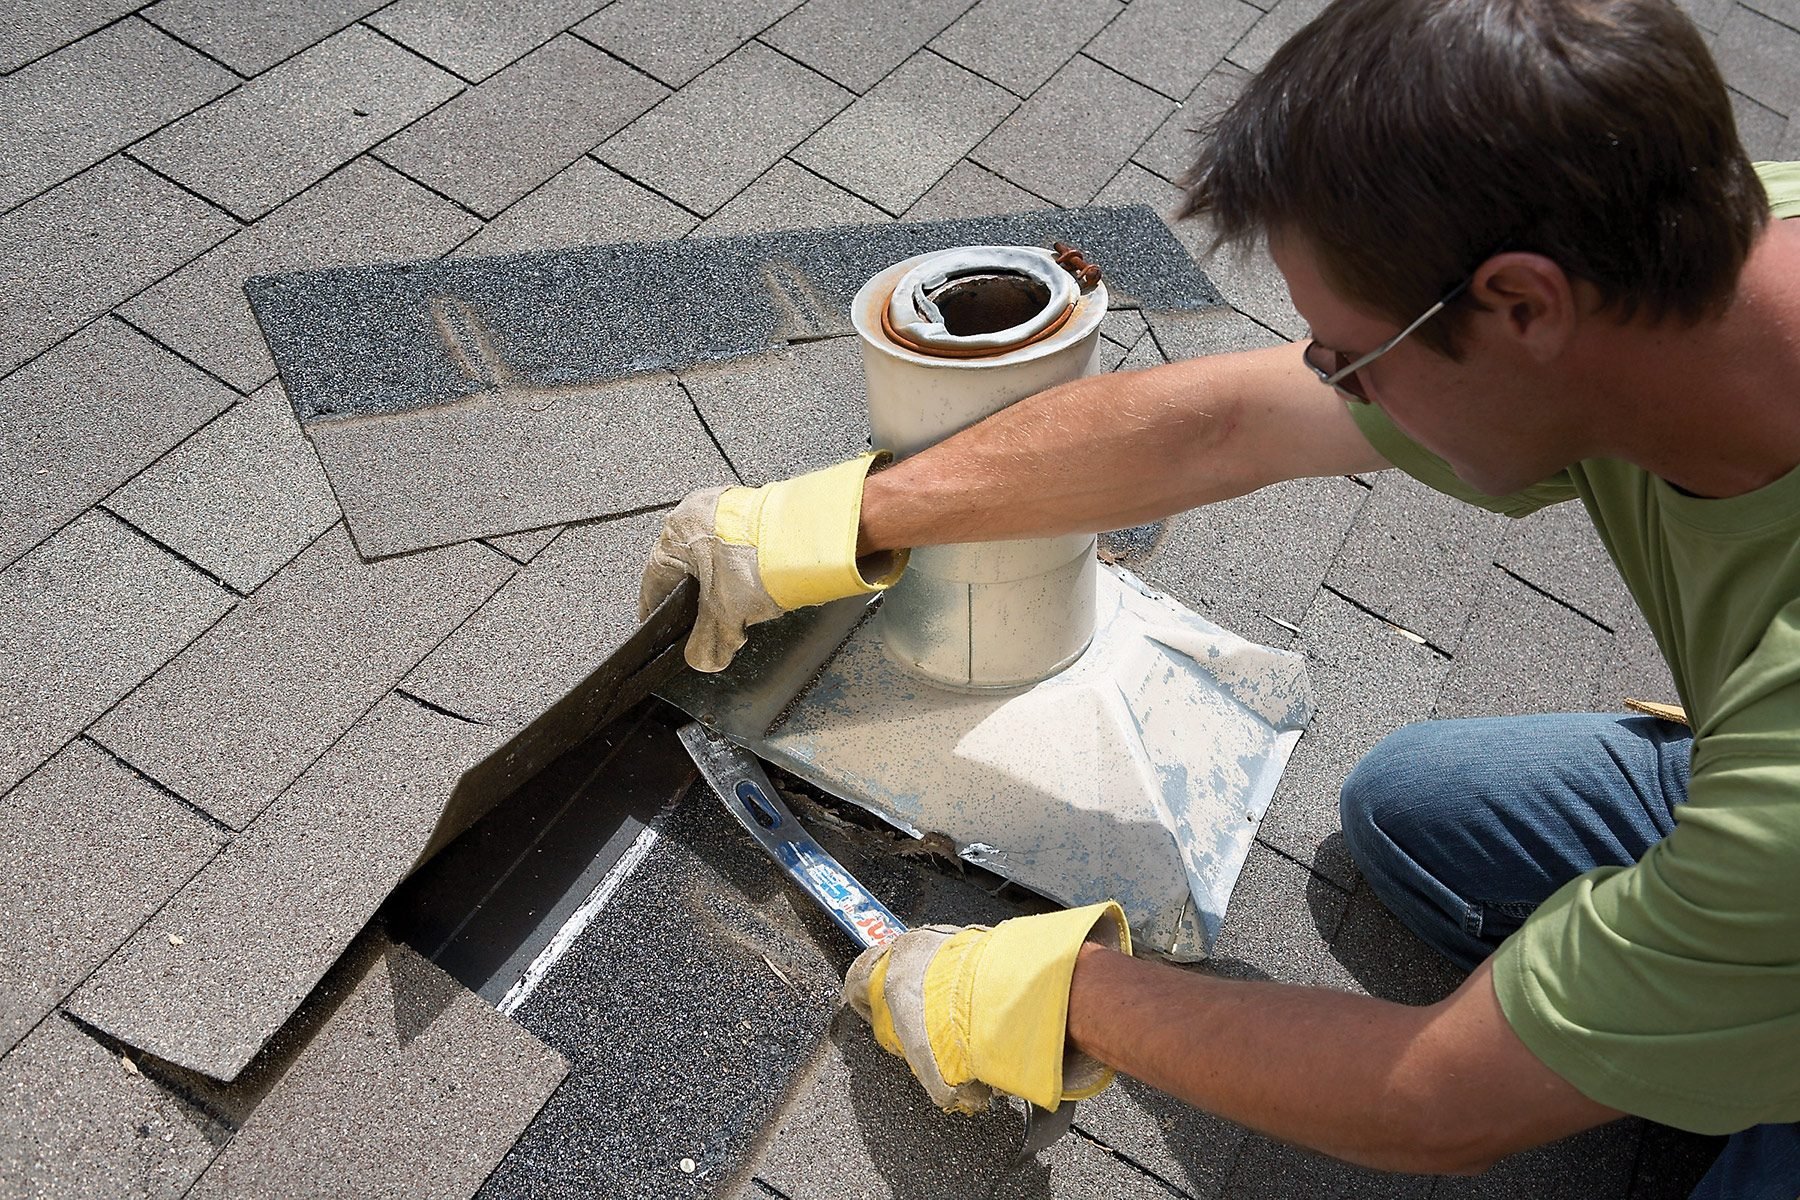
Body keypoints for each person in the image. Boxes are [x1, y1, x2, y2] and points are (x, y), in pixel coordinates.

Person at [639, 0, 1800, 1190]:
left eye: (1345, 356)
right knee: (1417, 817)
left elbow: (1435, 1100)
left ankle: (1741, 1024)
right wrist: (841, 521)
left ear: (1519, 307)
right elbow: (1222, 425)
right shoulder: (1690, 237)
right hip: (1753, 806)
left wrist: (1064, 993)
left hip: (1774, 835)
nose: (1326, 380)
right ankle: (1713, 987)